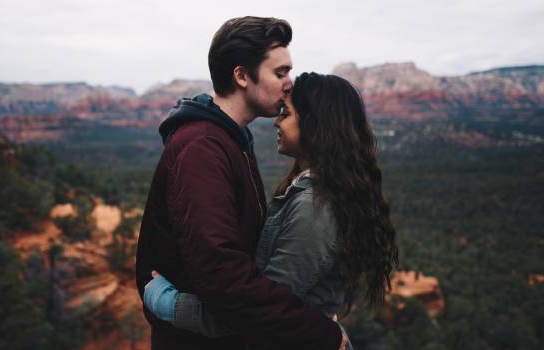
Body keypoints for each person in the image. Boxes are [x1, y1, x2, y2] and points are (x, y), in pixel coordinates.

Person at [143, 73, 400, 350]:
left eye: (286, 114)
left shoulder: (314, 208)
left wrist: (170, 303)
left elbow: (259, 311)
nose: (277, 121)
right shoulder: (311, 193)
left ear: (315, 125)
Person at [135, 17, 347, 350]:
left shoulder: (232, 141)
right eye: (279, 73)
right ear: (242, 75)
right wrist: (321, 333)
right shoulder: (202, 148)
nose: (289, 84)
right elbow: (225, 279)